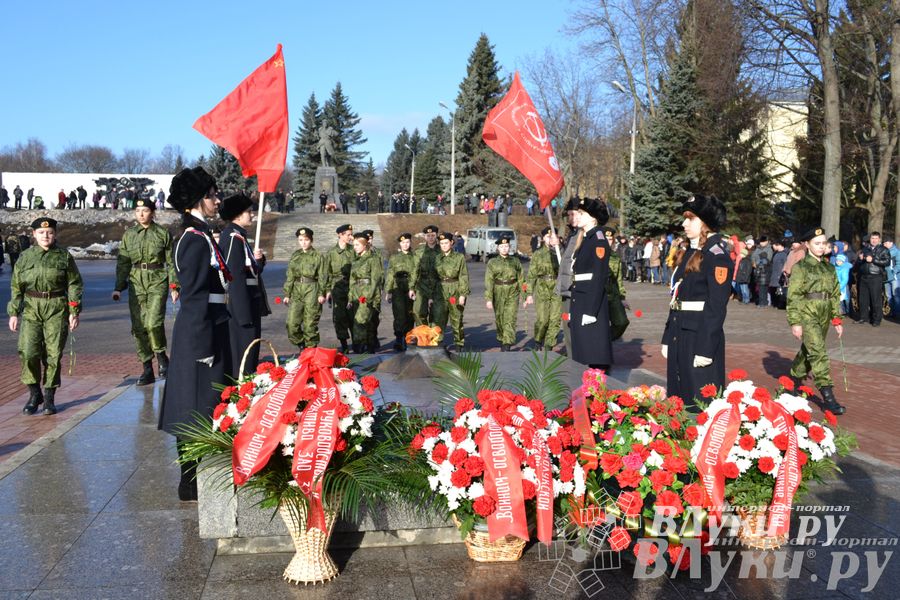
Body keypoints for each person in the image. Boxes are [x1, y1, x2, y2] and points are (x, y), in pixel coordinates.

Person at [158, 167, 231, 501]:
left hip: (211, 324)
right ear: (200, 199)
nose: (217, 200)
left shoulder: (201, 235)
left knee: (200, 403)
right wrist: (203, 344)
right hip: (200, 331)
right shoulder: (193, 239)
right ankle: (188, 481)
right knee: (193, 404)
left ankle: (193, 478)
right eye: (213, 195)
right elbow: (195, 294)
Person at [661, 194, 732, 408]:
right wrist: (667, 336)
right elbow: (677, 298)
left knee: (699, 401)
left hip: (699, 336)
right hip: (680, 332)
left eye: (690, 218)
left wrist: (706, 348)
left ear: (705, 222)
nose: (684, 223)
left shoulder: (716, 255)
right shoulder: (689, 252)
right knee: (678, 397)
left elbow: (716, 307)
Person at [7, 218, 83, 416]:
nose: (45, 236)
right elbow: (16, 286)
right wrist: (13, 312)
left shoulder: (63, 256)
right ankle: (35, 393)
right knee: (28, 352)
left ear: (55, 234)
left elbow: (74, 283)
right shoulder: (25, 257)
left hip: (56, 307)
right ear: (34, 234)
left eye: (49, 232)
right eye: (41, 233)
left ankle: (49, 396)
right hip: (31, 308)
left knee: (53, 354)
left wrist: (74, 310)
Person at [113, 198, 178, 386]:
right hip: (136, 281)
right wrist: (118, 287)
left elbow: (171, 261)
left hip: (157, 279)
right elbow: (123, 262)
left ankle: (161, 356)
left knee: (153, 323)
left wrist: (174, 285)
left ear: (153, 212)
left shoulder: (162, 233)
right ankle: (147, 367)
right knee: (139, 326)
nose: (141, 214)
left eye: (145, 210)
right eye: (138, 210)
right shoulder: (129, 234)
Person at [787, 227, 846, 415]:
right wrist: (795, 322)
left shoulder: (829, 267)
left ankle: (792, 380)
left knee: (810, 350)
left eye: (823, 243)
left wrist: (836, 319)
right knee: (819, 352)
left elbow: (835, 294)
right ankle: (828, 398)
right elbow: (794, 296)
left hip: (825, 312)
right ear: (807, 244)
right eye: (817, 243)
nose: (821, 247)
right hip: (808, 312)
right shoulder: (801, 267)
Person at [220, 193, 270, 378]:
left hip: (249, 300)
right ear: (238, 215)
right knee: (244, 355)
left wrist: (259, 261)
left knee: (250, 352)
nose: (252, 214)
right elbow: (235, 277)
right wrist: (243, 313)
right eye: (248, 211)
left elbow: (251, 272)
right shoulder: (233, 238)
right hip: (242, 305)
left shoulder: (239, 236)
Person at [570, 198, 613, 369]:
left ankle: (597, 384)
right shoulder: (587, 239)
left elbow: (598, 277)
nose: (578, 216)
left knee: (594, 352)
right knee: (584, 351)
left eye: (582, 213)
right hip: (581, 300)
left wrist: (590, 311)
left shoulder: (598, 240)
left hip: (589, 303)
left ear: (593, 218)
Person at [284, 227, 326, 351]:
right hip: (297, 289)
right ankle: (301, 343)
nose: (303, 242)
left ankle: (310, 349)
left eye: (306, 240)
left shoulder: (318, 256)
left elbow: (323, 276)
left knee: (310, 324)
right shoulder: (295, 255)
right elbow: (290, 275)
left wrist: (321, 293)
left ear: (311, 240)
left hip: (312, 289)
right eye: (301, 240)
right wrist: (287, 293)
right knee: (291, 323)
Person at [485, 234, 524, 351]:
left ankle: (507, 344)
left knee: (510, 318)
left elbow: (521, 279)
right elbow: (489, 280)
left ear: (509, 247)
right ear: (498, 248)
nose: (504, 248)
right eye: (502, 246)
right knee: (500, 318)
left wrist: (525, 294)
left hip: (513, 290)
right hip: (498, 291)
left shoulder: (515, 261)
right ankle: (502, 338)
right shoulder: (492, 262)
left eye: (506, 246)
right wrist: (488, 298)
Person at [525, 227, 561, 351]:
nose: (550, 239)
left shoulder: (560, 253)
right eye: (548, 237)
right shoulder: (538, 254)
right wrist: (529, 293)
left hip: (557, 286)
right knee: (542, 320)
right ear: (543, 238)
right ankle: (538, 340)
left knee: (555, 319)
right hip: (542, 287)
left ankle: (549, 345)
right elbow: (531, 275)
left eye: (553, 237)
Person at [552, 198, 581, 357]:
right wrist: (557, 246)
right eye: (569, 215)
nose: (570, 218)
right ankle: (572, 357)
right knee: (567, 325)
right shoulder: (573, 234)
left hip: (575, 287)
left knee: (576, 326)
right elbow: (566, 259)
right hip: (566, 287)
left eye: (573, 214)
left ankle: (577, 358)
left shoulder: (584, 234)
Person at [348, 231, 383, 353]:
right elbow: (352, 280)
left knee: (361, 320)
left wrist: (369, 296)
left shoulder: (373, 259)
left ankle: (361, 345)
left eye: (357, 245)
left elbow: (375, 279)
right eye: (354, 245)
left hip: (367, 293)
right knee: (365, 321)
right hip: (356, 293)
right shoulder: (356, 261)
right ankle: (369, 346)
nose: (355, 247)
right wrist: (350, 297)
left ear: (364, 245)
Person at [434, 231, 469, 350]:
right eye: (441, 243)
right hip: (440, 290)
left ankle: (459, 343)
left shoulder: (459, 257)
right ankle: (438, 342)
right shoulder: (437, 258)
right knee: (439, 318)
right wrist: (430, 296)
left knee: (456, 318)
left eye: (446, 243)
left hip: (455, 289)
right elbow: (433, 277)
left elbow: (463, 276)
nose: (444, 245)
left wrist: (463, 294)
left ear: (451, 243)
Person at [324, 224, 355, 353]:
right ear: (340, 235)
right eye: (348, 234)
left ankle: (357, 342)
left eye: (351, 234)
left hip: (352, 285)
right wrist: (327, 290)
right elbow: (327, 272)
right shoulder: (331, 253)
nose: (350, 237)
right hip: (337, 287)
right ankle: (344, 344)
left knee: (354, 315)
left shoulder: (353, 250)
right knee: (339, 316)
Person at [386, 233, 416, 351]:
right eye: (403, 242)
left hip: (411, 288)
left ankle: (408, 337)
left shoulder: (415, 257)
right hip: (397, 288)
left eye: (407, 242)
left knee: (410, 314)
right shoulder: (394, 257)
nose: (405, 244)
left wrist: (413, 288)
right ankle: (399, 338)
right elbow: (390, 274)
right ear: (400, 244)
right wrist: (388, 291)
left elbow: (416, 273)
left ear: (410, 243)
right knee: (399, 314)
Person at [409, 225, 443, 327]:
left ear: (437, 235)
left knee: (436, 315)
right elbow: (414, 270)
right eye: (428, 235)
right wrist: (411, 287)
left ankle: (433, 334)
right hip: (422, 285)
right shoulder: (419, 251)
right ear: (424, 237)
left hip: (438, 285)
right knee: (418, 312)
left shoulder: (442, 250)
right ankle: (424, 332)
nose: (430, 238)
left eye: (433, 235)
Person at [855, 232, 890, 326]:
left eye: (876, 238)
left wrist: (873, 259)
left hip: (876, 276)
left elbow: (887, 262)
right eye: (872, 238)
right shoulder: (865, 249)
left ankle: (877, 319)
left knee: (875, 299)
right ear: (870, 239)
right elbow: (858, 262)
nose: (874, 240)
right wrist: (860, 259)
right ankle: (863, 317)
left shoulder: (884, 249)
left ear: (879, 239)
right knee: (863, 299)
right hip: (863, 276)